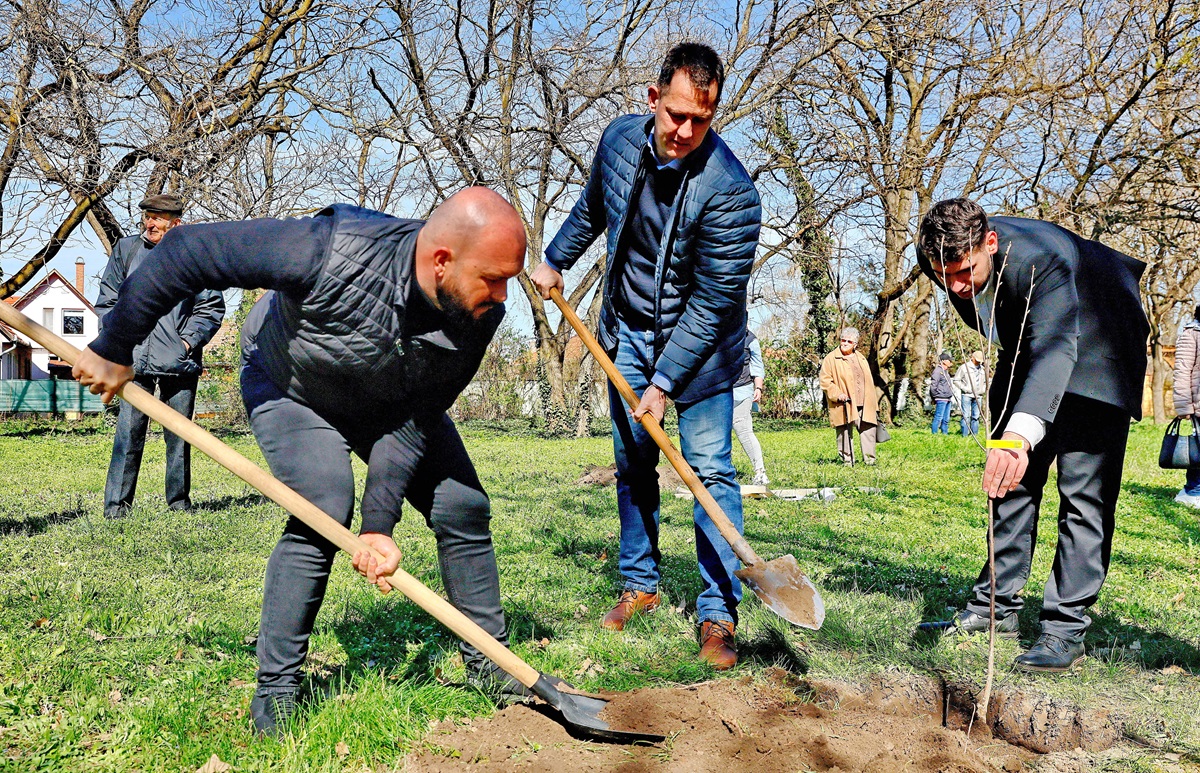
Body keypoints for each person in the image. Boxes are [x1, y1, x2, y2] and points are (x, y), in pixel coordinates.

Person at [73, 187, 528, 734]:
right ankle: (278, 687)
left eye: (509, 279)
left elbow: (414, 420)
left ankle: (492, 662)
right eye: (494, 278)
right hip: (290, 385)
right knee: (324, 504)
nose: (504, 296)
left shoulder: (478, 310)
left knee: (461, 504)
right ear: (440, 261)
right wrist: (115, 345)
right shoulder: (331, 247)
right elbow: (187, 251)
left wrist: (379, 526)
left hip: (387, 402)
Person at [530, 42, 760, 670]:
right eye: (677, 114)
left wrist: (664, 381)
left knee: (709, 471)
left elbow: (714, 302)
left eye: (702, 120)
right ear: (653, 99)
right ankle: (640, 585)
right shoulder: (619, 143)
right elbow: (593, 209)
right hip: (627, 330)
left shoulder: (733, 193)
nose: (686, 131)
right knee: (633, 462)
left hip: (704, 353)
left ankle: (718, 614)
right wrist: (554, 259)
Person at [917, 197, 1149, 673]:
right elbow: (1018, 338)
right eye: (946, 276)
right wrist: (1010, 440)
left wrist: (1023, 432)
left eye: (965, 271)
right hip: (1027, 353)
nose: (956, 286)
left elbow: (1058, 343)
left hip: (1100, 346)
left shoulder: (1042, 256)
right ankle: (993, 609)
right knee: (1010, 482)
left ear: (991, 242)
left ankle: (1064, 630)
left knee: (1084, 496)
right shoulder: (942, 260)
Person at [95, 194, 225, 519]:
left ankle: (179, 505)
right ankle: (116, 509)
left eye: (158, 218)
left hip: (178, 362)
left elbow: (210, 308)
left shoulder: (195, 255)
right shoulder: (126, 251)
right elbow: (108, 300)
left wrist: (186, 343)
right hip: (133, 362)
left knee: (179, 438)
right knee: (127, 435)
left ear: (176, 223)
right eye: (147, 216)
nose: (150, 223)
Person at [818, 327, 878, 465]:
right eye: (843, 340)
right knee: (844, 432)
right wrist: (838, 394)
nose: (844, 343)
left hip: (864, 400)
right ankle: (847, 461)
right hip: (844, 401)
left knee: (868, 430)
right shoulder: (831, 358)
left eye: (849, 341)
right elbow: (825, 381)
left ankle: (870, 461)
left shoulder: (861, 357)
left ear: (855, 344)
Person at [733, 330, 769, 487]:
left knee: (744, 431)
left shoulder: (750, 339)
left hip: (742, 390)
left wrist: (758, 387)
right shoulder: (718, 332)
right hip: (717, 391)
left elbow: (757, 364)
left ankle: (760, 472)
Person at [1172, 307, 1200, 508]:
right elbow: (1182, 371)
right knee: (1199, 453)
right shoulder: (1192, 333)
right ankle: (1192, 492)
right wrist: (1184, 407)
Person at [954, 350, 986, 437]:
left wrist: (982, 390)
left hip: (978, 396)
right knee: (966, 416)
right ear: (972, 358)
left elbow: (986, 382)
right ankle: (964, 435)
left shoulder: (983, 369)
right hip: (967, 395)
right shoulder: (964, 368)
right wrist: (965, 388)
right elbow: (956, 380)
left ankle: (974, 435)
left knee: (976, 416)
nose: (979, 362)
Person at [930, 352, 955, 434]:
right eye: (949, 360)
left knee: (946, 419)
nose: (951, 362)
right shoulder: (937, 371)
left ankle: (945, 434)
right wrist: (935, 396)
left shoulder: (945, 371)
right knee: (938, 418)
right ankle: (934, 435)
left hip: (948, 398)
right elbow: (933, 386)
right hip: (941, 398)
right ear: (943, 361)